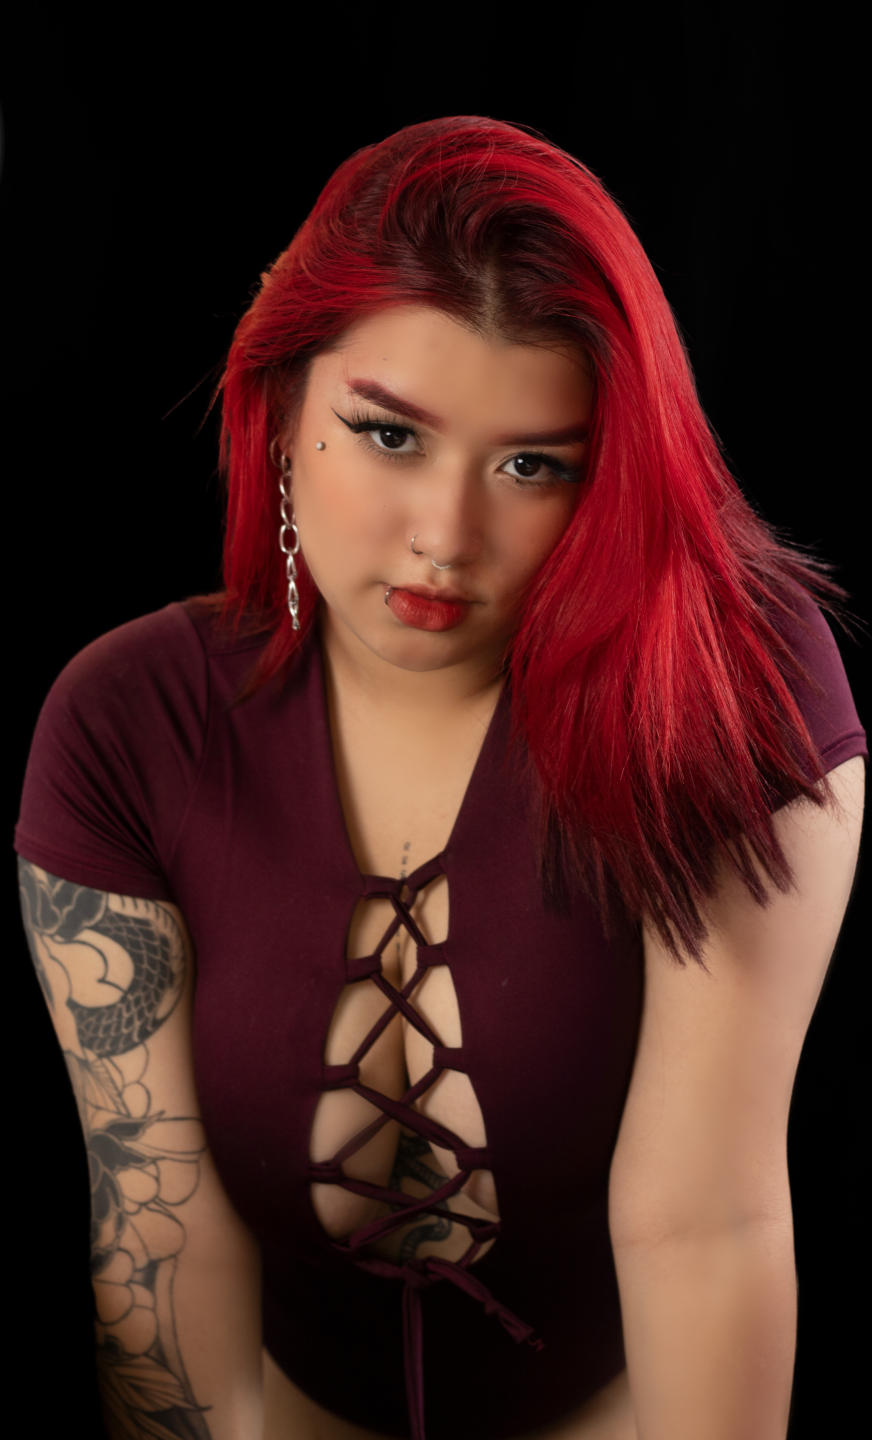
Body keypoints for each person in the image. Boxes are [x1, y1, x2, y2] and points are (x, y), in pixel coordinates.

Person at [14, 114, 867, 1440]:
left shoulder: (727, 685)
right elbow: (159, 1235)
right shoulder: (131, 723)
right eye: (390, 435)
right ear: (282, 404)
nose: (447, 536)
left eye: (533, 465)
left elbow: (702, 1217)